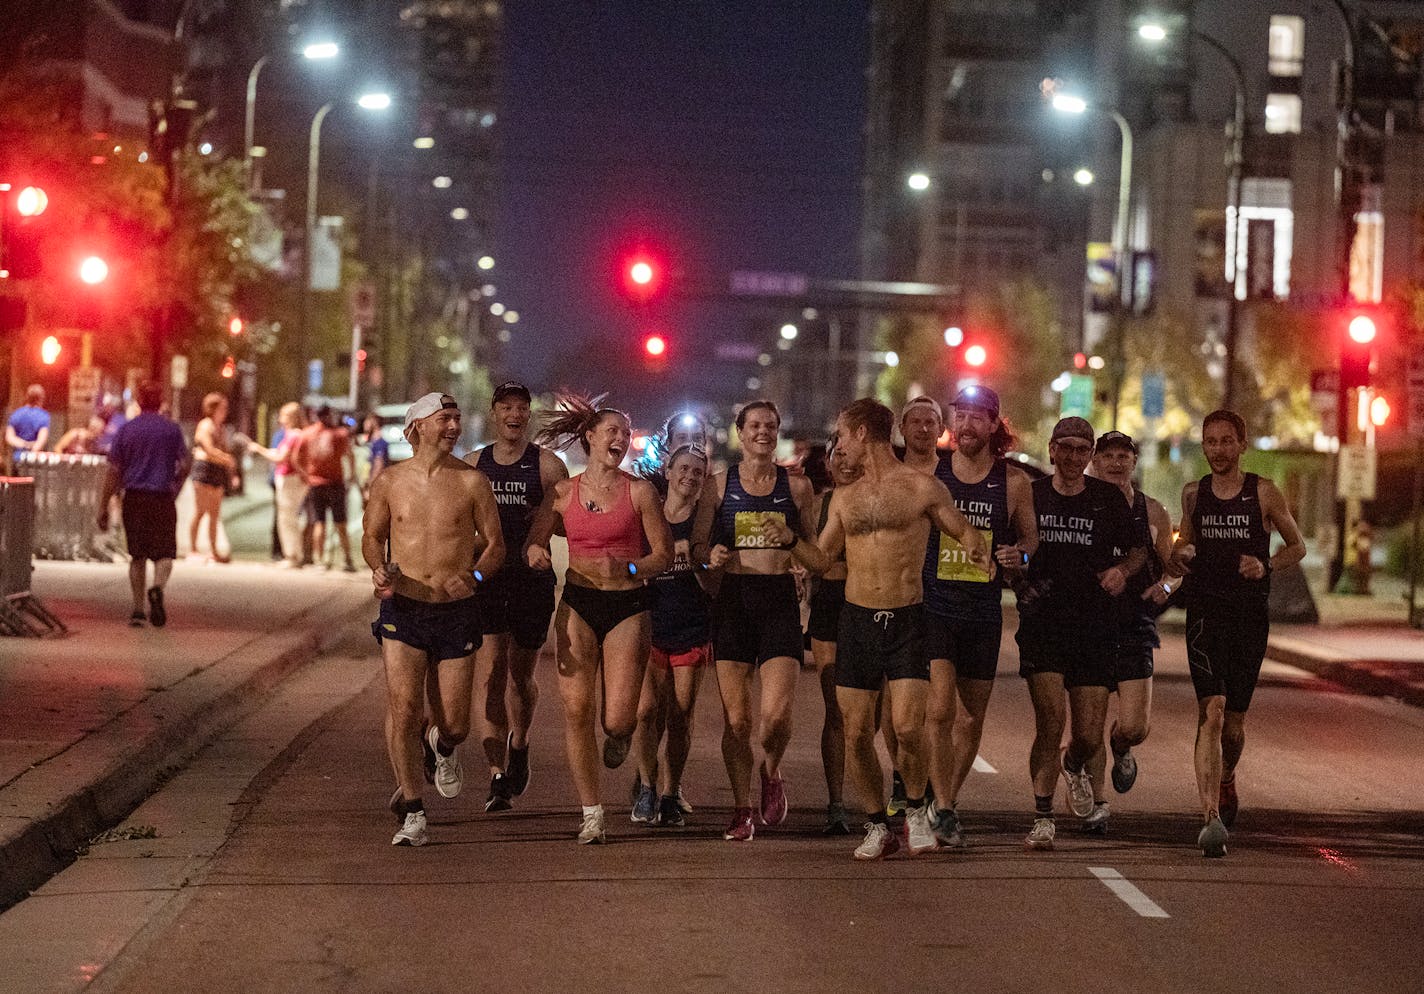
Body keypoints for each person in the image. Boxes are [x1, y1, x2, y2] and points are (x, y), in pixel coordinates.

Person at [770, 398, 988, 860]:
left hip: (908, 619)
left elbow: (960, 527)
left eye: (844, 434)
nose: (841, 444)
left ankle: (913, 811)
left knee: (909, 729)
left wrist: (973, 545)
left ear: (863, 433)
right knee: (855, 732)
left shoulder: (920, 487)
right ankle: (875, 824)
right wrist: (790, 540)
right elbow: (822, 559)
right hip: (858, 622)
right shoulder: (845, 498)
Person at [525, 395, 673, 844]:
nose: (621, 439)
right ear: (590, 436)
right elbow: (535, 541)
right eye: (613, 431)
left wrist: (629, 568)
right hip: (579, 602)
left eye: (626, 434)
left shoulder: (640, 492)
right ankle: (592, 812)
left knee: (618, 721)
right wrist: (535, 553)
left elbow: (663, 556)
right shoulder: (563, 493)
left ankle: (620, 735)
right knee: (576, 711)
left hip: (628, 606)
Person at [363, 392, 505, 848]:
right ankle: (413, 808)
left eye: (457, 419)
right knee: (403, 709)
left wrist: (477, 575)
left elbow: (496, 545)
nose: (453, 427)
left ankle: (441, 748)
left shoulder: (472, 482)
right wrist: (378, 568)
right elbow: (372, 536)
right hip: (404, 608)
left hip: (456, 612)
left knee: (457, 724)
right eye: (445, 418)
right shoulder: (390, 481)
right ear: (419, 426)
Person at [901, 389, 1037, 848]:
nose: (966, 425)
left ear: (994, 425)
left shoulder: (1013, 482)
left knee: (970, 720)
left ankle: (946, 804)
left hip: (982, 612)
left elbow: (1030, 541)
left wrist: (1016, 554)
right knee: (938, 711)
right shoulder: (929, 473)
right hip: (935, 605)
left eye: (977, 417)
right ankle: (942, 805)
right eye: (960, 415)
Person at [1169, 409, 1304, 858]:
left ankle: (1227, 779)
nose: (1219, 450)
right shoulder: (1194, 495)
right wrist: (1182, 553)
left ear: (1242, 444)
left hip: (1249, 619)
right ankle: (1209, 816)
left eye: (1227, 441)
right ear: (1203, 445)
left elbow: (1297, 545)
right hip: (1205, 615)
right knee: (1212, 712)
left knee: (1234, 725)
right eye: (1211, 441)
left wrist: (1265, 565)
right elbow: (1181, 548)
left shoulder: (1263, 493)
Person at [1016, 417, 1145, 852]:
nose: (1072, 457)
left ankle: (1074, 766)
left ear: (1089, 456)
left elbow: (1139, 549)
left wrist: (1121, 571)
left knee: (1088, 736)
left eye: (1080, 449)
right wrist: (1018, 572)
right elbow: (1010, 547)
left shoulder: (1108, 498)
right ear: (1051, 449)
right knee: (1050, 722)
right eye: (1065, 448)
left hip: (1094, 626)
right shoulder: (1031, 496)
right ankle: (1042, 816)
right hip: (1044, 623)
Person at [697, 399, 816, 842]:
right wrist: (710, 556)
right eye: (754, 426)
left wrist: (793, 545)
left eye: (770, 425)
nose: (762, 432)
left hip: (778, 600)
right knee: (738, 721)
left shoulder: (797, 488)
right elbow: (697, 548)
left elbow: (814, 551)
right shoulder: (718, 485)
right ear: (740, 433)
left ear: (777, 431)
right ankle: (741, 807)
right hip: (733, 601)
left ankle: (772, 770)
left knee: (777, 718)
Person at [465, 381, 569, 812]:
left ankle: (520, 744)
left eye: (521, 408)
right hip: (488, 579)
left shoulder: (547, 466)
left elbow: (567, 523)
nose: (514, 414)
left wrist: (543, 529)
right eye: (506, 407)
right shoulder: (474, 465)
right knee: (490, 674)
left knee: (521, 678)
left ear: (528, 415)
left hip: (530, 580)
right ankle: (496, 776)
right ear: (494, 413)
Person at [1083, 430, 1175, 831]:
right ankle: (1098, 802)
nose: (1117, 462)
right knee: (1088, 725)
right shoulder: (1083, 506)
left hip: (1134, 624)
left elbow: (1174, 567)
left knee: (1135, 726)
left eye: (1124, 455)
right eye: (1109, 455)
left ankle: (1121, 747)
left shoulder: (1152, 511)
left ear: (1134, 462)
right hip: (1088, 625)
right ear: (1095, 461)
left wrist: (1167, 586)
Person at [631, 443, 714, 827]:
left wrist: (700, 560)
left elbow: (714, 581)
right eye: (683, 468)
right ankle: (646, 786)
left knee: (680, 714)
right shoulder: (649, 513)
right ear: (667, 471)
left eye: (697, 472)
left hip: (691, 627)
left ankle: (670, 791)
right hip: (649, 625)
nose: (689, 476)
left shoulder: (704, 521)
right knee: (647, 712)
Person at [96, 381, 189, 627]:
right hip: (162, 497)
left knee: (137, 555)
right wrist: (176, 486)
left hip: (134, 498)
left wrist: (103, 505)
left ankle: (138, 610)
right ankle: (157, 588)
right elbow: (186, 463)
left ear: (138, 401)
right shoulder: (172, 430)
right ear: (160, 402)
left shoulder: (127, 430)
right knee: (165, 553)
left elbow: (113, 470)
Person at [804, 439, 859, 836]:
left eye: (849, 454)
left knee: (872, 715)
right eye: (836, 454)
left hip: (871, 610)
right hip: (829, 609)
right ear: (827, 462)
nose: (843, 461)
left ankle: (891, 790)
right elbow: (807, 557)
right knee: (835, 709)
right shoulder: (817, 505)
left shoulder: (877, 502)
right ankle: (836, 803)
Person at [248, 403, 308, 567]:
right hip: (291, 479)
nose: (280, 419)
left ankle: (292, 555)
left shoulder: (293, 435)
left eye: (283, 416)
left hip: (289, 479)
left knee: (287, 518)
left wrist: (258, 449)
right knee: (289, 517)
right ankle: (293, 554)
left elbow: (281, 457)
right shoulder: (295, 434)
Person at [300, 404, 357, 571]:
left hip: (316, 483)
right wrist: (351, 476)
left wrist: (306, 475)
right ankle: (346, 559)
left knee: (320, 522)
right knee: (340, 523)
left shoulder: (308, 434)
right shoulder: (339, 434)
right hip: (335, 483)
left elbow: (297, 456)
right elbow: (350, 455)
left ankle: (320, 559)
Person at [188, 393, 240, 563]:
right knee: (201, 510)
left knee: (215, 513)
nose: (225, 411)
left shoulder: (221, 428)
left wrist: (231, 470)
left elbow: (224, 451)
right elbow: (208, 449)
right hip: (204, 469)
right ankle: (193, 549)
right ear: (213, 409)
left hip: (218, 470)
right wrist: (227, 459)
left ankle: (214, 550)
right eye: (222, 408)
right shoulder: (205, 426)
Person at [6, 384, 51, 466]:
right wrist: (33, 450)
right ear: (41, 398)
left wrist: (24, 444)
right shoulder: (43, 416)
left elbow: (9, 437)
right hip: (34, 460)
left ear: (27, 397)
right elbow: (41, 440)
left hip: (17, 458)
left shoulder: (16, 414)